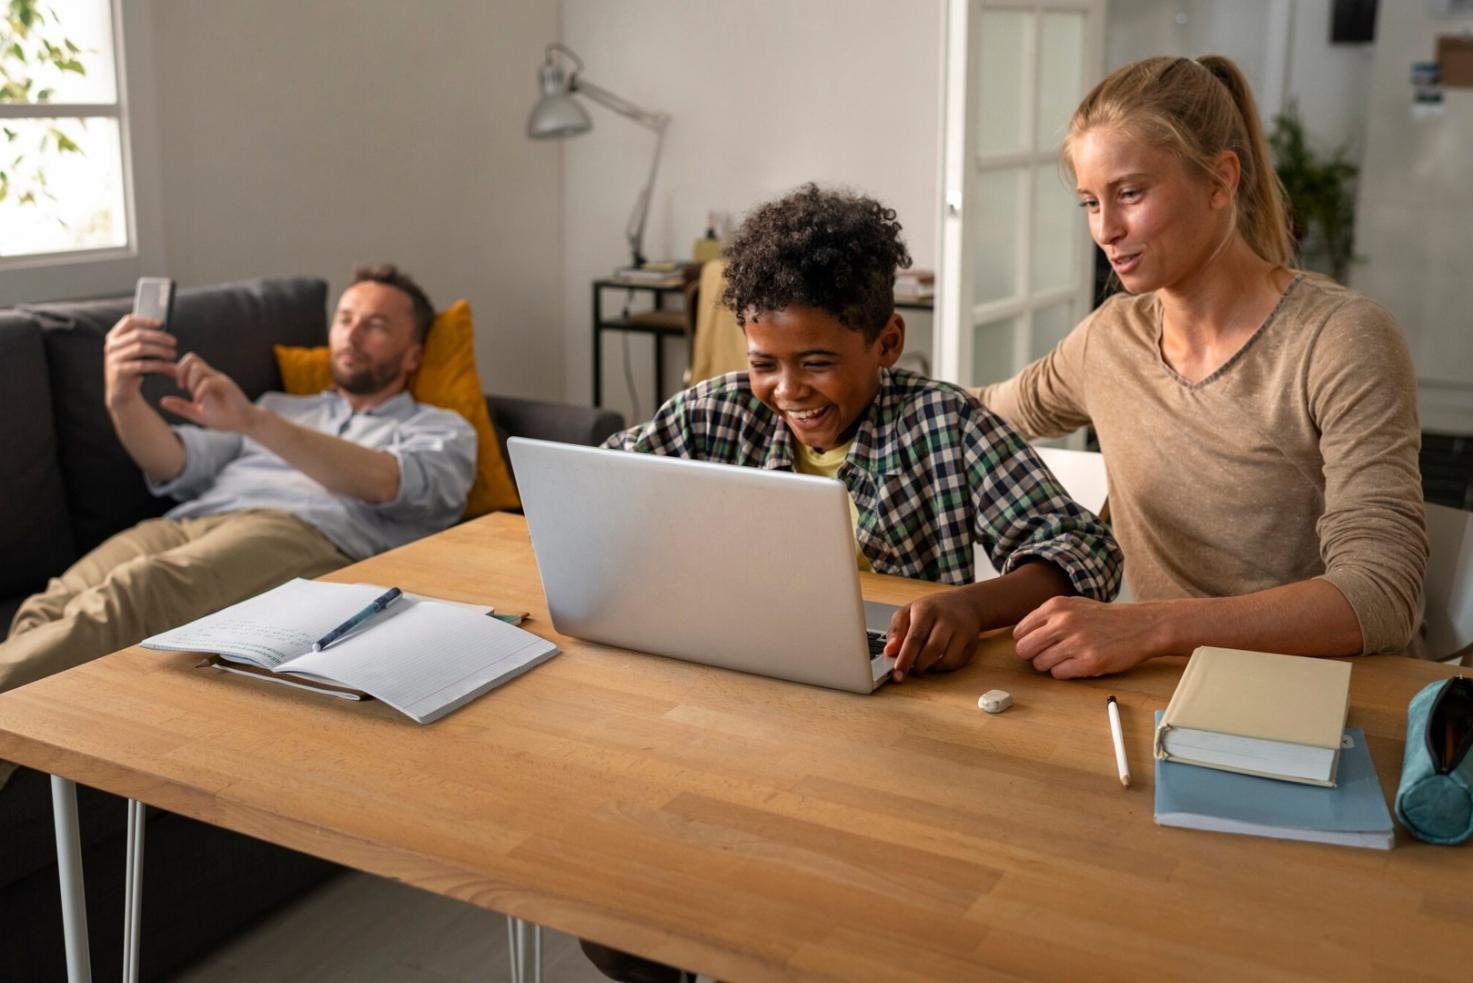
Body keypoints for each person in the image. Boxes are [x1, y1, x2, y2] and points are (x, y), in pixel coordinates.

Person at [586, 184, 1120, 981]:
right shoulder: (714, 413)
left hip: (895, 734)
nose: (788, 391)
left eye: (817, 363)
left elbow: (1082, 548)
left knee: (826, 917)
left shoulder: (943, 425)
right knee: (623, 921)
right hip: (736, 706)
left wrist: (971, 606)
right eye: (763, 363)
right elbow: (604, 486)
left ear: (887, 341)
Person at [966, 55, 1426, 679]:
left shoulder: (1339, 339)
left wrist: (1151, 625)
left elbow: (1382, 595)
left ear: (1220, 181)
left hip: (1331, 692)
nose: (1106, 229)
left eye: (1130, 193)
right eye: (1089, 203)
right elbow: (980, 413)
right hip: (1171, 685)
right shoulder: (1110, 339)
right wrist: (822, 381)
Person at [0, 264, 478, 709]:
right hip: (192, 520)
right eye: (345, 318)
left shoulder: (440, 429)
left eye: (375, 325)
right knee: (49, 604)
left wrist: (254, 421)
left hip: (302, 536)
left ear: (413, 353)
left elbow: (384, 481)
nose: (351, 333)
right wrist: (121, 398)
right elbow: (172, 460)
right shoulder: (283, 406)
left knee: (137, 593)